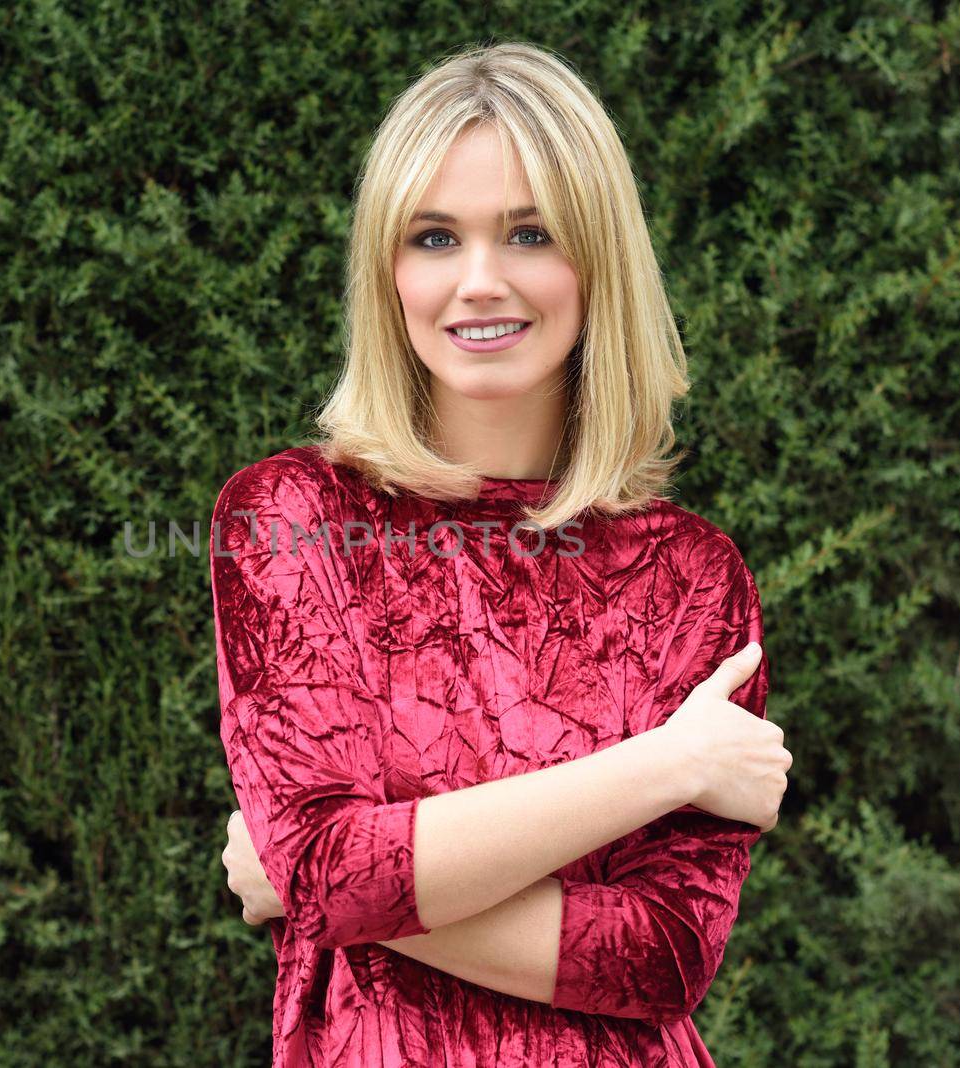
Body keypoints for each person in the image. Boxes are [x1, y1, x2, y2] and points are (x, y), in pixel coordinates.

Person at [210, 40, 791, 1068]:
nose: (478, 281)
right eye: (433, 237)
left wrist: (338, 889)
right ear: (387, 273)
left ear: (595, 261)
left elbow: (662, 959)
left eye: (529, 233)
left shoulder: (690, 577)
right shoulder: (291, 519)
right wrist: (667, 766)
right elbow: (327, 870)